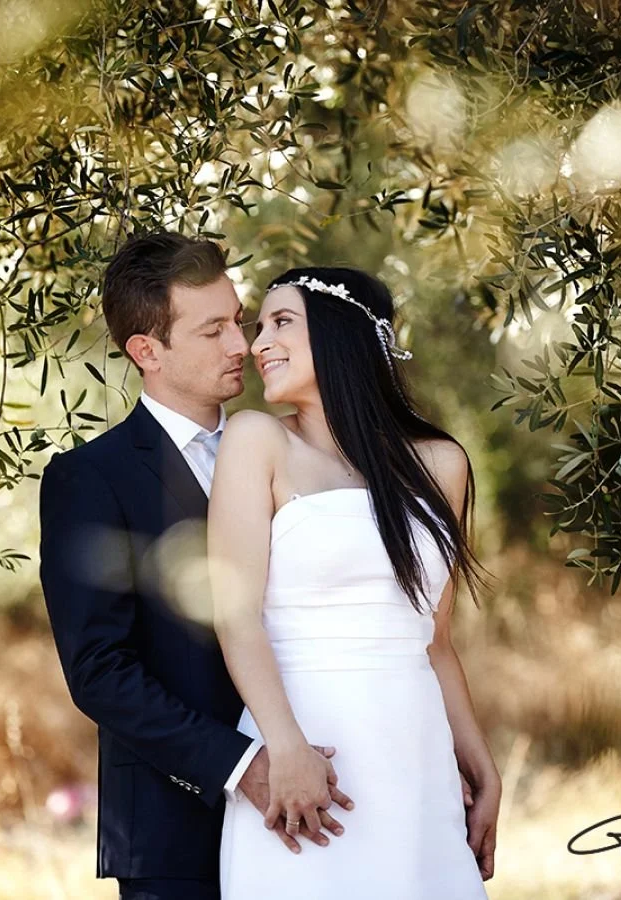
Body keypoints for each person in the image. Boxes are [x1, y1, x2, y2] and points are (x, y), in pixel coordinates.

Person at [38, 235, 351, 900]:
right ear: (146, 352)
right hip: (180, 827)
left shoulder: (297, 454)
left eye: (236, 322)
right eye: (212, 331)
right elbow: (99, 671)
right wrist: (244, 766)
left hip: (328, 795)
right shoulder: (92, 479)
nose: (242, 346)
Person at [209, 267, 501, 898]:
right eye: (259, 328)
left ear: (346, 335)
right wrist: (284, 749)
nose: (258, 343)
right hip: (306, 752)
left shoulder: (443, 463)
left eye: (281, 322)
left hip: (414, 755)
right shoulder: (257, 440)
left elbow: (435, 640)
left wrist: (479, 759)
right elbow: (236, 618)